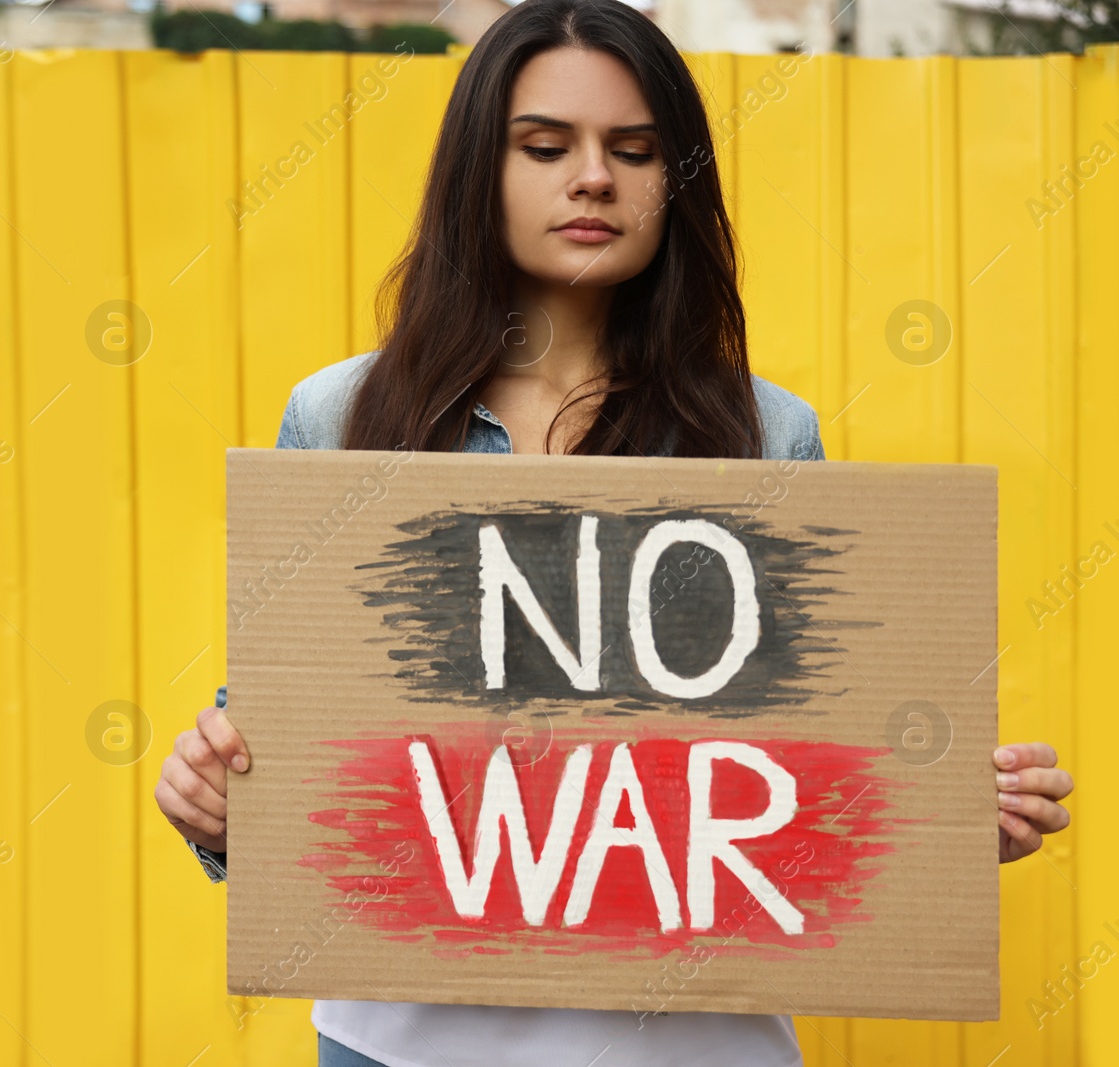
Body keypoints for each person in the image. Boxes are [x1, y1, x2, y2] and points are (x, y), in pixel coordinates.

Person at [152, 1, 1075, 1063]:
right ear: (474, 174)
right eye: (545, 146)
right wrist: (215, 805)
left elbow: (814, 763)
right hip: (398, 1042)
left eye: (632, 151)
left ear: (671, 182)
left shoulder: (767, 434)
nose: (591, 177)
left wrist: (948, 821)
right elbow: (277, 739)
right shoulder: (339, 416)